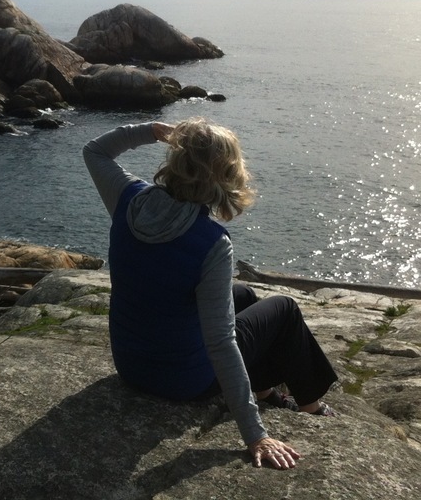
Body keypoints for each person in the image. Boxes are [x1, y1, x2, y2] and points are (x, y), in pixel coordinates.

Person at [83, 118, 338, 470]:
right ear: (227, 174)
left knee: (243, 294)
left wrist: (150, 130)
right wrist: (255, 434)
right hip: (183, 381)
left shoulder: (128, 200)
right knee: (284, 309)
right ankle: (310, 406)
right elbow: (220, 342)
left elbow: (95, 150)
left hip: (131, 365)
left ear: (175, 158)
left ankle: (264, 390)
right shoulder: (211, 243)